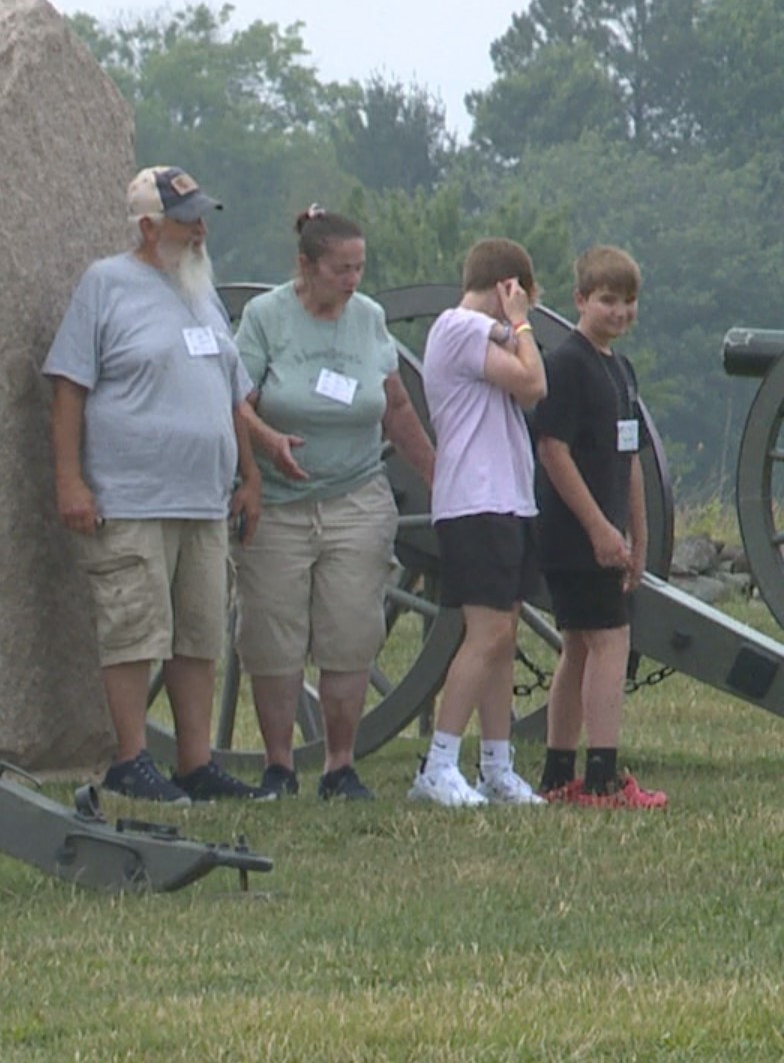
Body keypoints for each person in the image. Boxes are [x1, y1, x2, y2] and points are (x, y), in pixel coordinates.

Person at [42, 164, 266, 804]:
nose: (200, 231)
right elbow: (69, 387)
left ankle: (197, 762)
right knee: (134, 629)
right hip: (132, 494)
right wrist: (69, 479)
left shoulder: (202, 290)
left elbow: (232, 394)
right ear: (147, 225)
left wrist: (250, 474)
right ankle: (131, 759)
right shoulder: (105, 285)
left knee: (197, 634)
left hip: (203, 497)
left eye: (201, 219)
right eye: (187, 219)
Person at [232, 207, 436, 801]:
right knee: (273, 637)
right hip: (278, 505)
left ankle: (339, 766)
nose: (352, 281)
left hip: (355, 499)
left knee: (350, 633)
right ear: (306, 265)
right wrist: (266, 442)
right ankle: (278, 766)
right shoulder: (266, 318)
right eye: (340, 269)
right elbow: (233, 399)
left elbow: (395, 407)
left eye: (359, 268)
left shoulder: (369, 319)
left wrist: (437, 474)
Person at [411, 237, 550, 808]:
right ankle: (438, 763)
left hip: (507, 499)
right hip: (475, 499)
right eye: (524, 298)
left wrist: (513, 331)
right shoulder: (457, 326)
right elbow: (533, 384)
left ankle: (497, 764)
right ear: (508, 288)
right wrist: (519, 326)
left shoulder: (480, 335)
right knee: (485, 634)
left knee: (504, 637)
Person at [533, 245, 668, 809]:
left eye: (629, 301)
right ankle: (603, 779)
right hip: (571, 531)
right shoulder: (567, 363)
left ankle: (559, 774)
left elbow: (629, 456)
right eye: (608, 300)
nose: (620, 312)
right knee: (611, 642)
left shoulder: (619, 368)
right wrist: (596, 527)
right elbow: (552, 450)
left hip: (608, 530)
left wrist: (637, 535)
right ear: (580, 300)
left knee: (580, 648)